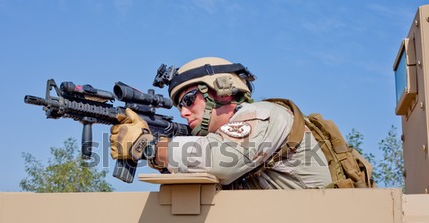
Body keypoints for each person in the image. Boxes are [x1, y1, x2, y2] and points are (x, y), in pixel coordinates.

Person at [110, 57, 331, 189]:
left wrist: (148, 146)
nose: (184, 113)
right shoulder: (221, 138)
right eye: (179, 106)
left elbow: (219, 159)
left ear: (222, 91)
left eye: (188, 100)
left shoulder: (265, 114)